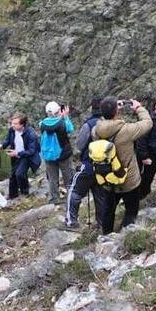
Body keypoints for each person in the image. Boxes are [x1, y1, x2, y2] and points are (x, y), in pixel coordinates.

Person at [90, 97, 152, 234]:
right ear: (117, 111)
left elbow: (105, 123)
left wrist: (110, 109)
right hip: (128, 180)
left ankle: (106, 236)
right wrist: (138, 108)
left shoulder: (96, 130)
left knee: (108, 211)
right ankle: (126, 234)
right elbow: (147, 123)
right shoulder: (126, 130)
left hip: (107, 179)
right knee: (131, 210)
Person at [64, 97, 102, 230]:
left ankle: (71, 222)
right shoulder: (111, 123)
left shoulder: (89, 124)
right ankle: (102, 223)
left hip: (89, 164)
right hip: (106, 166)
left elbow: (80, 144)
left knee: (74, 191)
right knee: (101, 195)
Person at [39, 102, 75, 205]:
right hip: (63, 154)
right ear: (58, 111)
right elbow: (70, 129)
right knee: (68, 176)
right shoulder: (62, 123)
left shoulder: (42, 124)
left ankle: (54, 198)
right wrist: (65, 117)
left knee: (52, 177)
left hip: (48, 155)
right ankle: (71, 197)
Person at [0, 113, 40, 200]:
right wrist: (1, 146)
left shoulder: (30, 134)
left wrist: (18, 153)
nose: (12, 125)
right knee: (13, 175)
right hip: (15, 156)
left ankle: (25, 192)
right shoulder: (12, 130)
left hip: (25, 156)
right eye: (12, 123)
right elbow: (7, 140)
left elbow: (32, 151)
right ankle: (12, 194)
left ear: (22, 124)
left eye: (15, 124)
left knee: (20, 174)